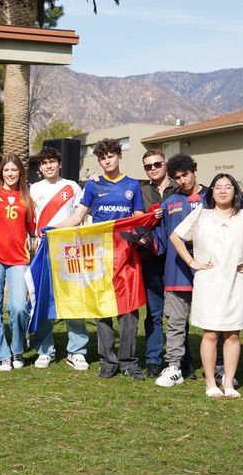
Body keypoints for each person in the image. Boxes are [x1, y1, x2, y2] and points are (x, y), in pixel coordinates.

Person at [171, 174, 243, 398]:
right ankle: (210, 382)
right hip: (208, 281)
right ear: (212, 192)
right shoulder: (201, 213)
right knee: (210, 334)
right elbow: (176, 236)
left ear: (235, 191)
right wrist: (191, 261)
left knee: (232, 334)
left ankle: (228, 382)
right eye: (218, 187)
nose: (223, 191)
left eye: (228, 187)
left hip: (236, 281)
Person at [52, 138, 144, 379]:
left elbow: (138, 218)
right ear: (99, 161)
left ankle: (129, 361)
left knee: (129, 310)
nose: (107, 160)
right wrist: (51, 230)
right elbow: (76, 217)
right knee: (101, 308)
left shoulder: (133, 185)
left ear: (119, 156)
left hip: (127, 258)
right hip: (100, 257)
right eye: (103, 157)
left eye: (111, 156)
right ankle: (107, 360)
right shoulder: (93, 186)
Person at [152, 153, 209, 388]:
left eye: (185, 175)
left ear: (194, 170)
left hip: (209, 272)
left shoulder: (213, 196)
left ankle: (217, 368)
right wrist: (144, 232)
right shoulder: (169, 203)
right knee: (175, 322)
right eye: (177, 177)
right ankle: (174, 367)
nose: (182, 181)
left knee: (214, 323)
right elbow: (160, 241)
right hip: (176, 272)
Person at [28, 146, 84, 369]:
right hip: (42, 250)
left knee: (73, 299)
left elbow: (80, 215)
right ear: (40, 168)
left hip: (68, 250)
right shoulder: (33, 189)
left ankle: (77, 350)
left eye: (52, 161)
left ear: (60, 164)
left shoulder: (72, 187)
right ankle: (44, 350)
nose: (48, 166)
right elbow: (30, 223)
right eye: (44, 163)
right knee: (43, 299)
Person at [0, 154, 34, 371]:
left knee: (19, 307)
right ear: (1, 172)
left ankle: (17, 349)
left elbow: (33, 231)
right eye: (6, 170)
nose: (10, 174)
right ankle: (1, 353)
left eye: (14, 170)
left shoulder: (28, 199)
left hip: (19, 259)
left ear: (20, 172)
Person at [139, 149, 175, 377]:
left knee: (177, 313)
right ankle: (153, 359)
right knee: (153, 312)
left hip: (176, 259)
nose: (153, 169)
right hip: (150, 258)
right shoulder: (141, 190)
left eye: (157, 164)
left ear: (166, 164)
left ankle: (180, 359)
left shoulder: (180, 188)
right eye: (148, 166)